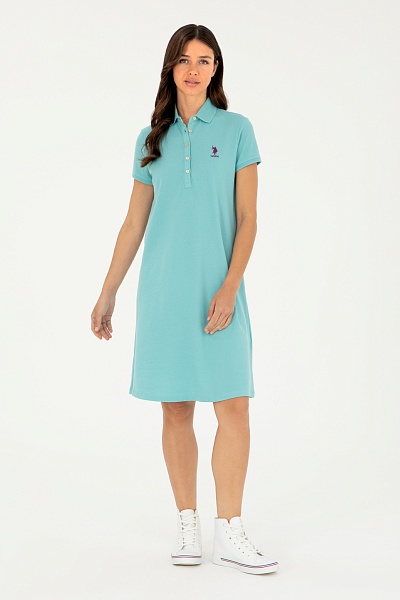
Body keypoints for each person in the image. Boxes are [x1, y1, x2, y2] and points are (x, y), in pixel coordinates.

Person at [91, 23, 279, 576]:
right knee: (176, 408)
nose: (193, 69)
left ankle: (231, 530)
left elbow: (248, 219)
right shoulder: (151, 139)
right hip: (165, 294)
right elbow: (133, 224)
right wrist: (107, 293)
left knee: (234, 406)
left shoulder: (238, 130)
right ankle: (188, 523)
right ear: (170, 68)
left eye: (204, 60)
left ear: (216, 69)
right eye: (184, 59)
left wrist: (230, 286)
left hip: (221, 293)